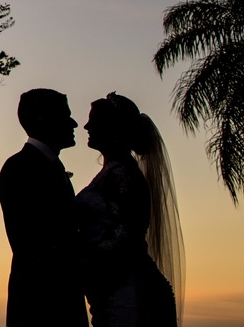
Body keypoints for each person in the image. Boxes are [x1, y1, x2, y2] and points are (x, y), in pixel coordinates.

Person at [76, 93, 184, 327]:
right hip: (113, 289)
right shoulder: (112, 173)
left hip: (129, 294)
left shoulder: (124, 176)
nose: (86, 126)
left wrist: (80, 264)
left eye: (93, 121)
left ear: (112, 130)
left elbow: (125, 236)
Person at [0, 88, 89, 327]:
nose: (74, 123)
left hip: (62, 299)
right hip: (40, 304)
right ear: (41, 119)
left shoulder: (48, 166)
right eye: (65, 115)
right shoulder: (19, 167)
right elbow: (31, 244)